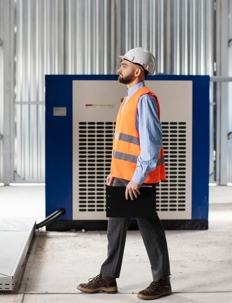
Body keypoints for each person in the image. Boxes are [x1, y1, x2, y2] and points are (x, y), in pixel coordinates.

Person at [77, 47, 172, 300]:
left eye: (125, 64)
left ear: (138, 71)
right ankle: (108, 277)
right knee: (115, 227)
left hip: (137, 179)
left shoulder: (144, 99)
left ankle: (162, 281)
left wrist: (137, 178)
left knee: (149, 227)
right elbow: (123, 142)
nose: (119, 68)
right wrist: (114, 171)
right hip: (123, 176)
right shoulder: (128, 98)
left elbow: (151, 144)